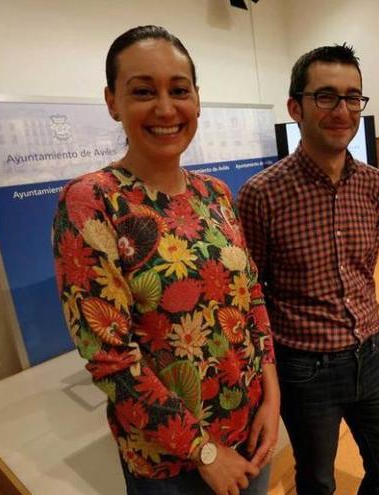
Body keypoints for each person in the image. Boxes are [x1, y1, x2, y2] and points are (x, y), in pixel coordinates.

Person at [51, 25, 279, 495]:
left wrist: (272, 395)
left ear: (197, 98)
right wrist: (206, 453)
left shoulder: (213, 193)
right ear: (112, 101)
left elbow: (251, 299)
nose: (165, 108)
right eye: (142, 91)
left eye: (179, 90)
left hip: (250, 433)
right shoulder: (92, 202)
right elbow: (109, 358)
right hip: (171, 465)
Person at [237, 44, 379, 495]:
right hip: (304, 367)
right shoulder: (262, 195)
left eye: (353, 97)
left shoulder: (373, 184)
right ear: (296, 106)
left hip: (370, 354)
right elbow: (254, 293)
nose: (343, 110)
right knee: (316, 482)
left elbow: (362, 265)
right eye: (326, 96)